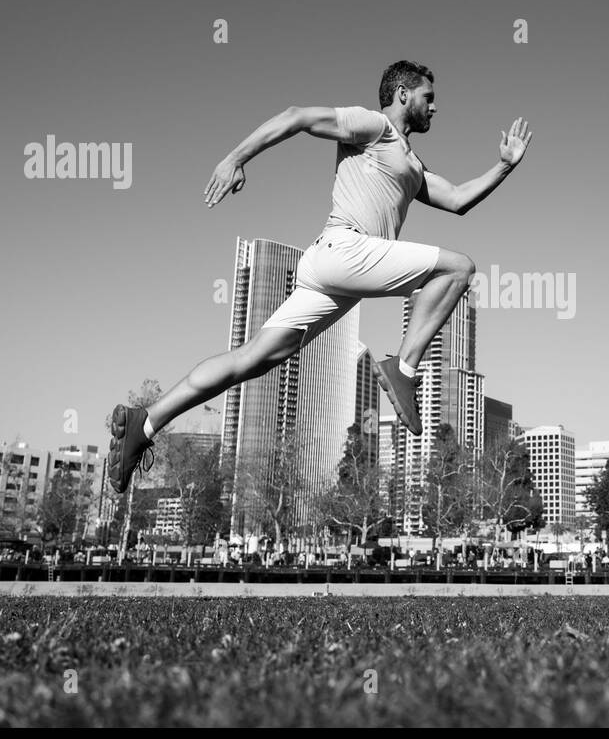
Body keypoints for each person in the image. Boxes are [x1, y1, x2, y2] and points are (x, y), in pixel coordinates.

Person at [105, 61, 532, 492]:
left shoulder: (413, 164)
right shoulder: (374, 126)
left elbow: (458, 199)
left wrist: (505, 166)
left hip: (331, 273)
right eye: (428, 97)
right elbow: (297, 117)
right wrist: (234, 159)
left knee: (251, 359)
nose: (435, 107)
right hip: (344, 249)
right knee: (460, 268)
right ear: (403, 94)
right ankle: (403, 368)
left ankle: (146, 422)